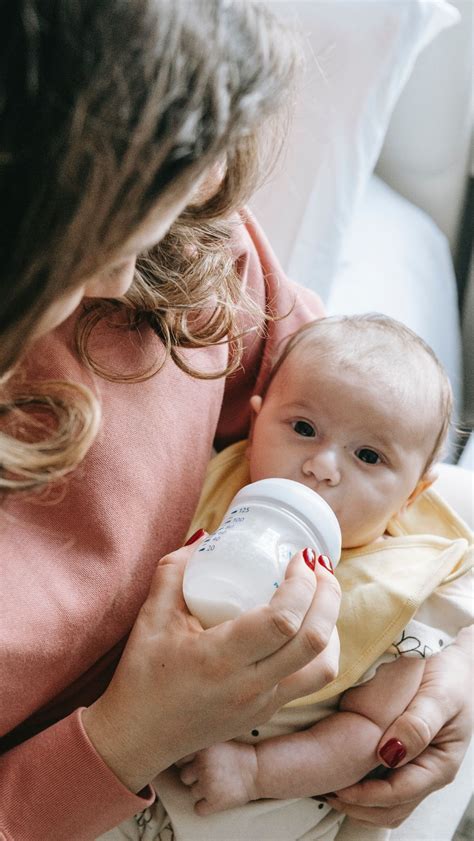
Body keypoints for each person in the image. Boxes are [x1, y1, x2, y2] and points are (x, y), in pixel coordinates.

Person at [0, 2, 470, 841]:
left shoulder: (185, 245)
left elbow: (372, 425)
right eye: (124, 206)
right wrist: (128, 736)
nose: (169, 235)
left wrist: (450, 666)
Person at [163, 314, 472, 840]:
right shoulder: (204, 485)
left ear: (413, 495)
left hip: (260, 800)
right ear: (256, 422)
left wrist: (256, 771)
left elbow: (369, 732)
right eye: (303, 429)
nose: (323, 465)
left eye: (368, 456)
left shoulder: (394, 588)